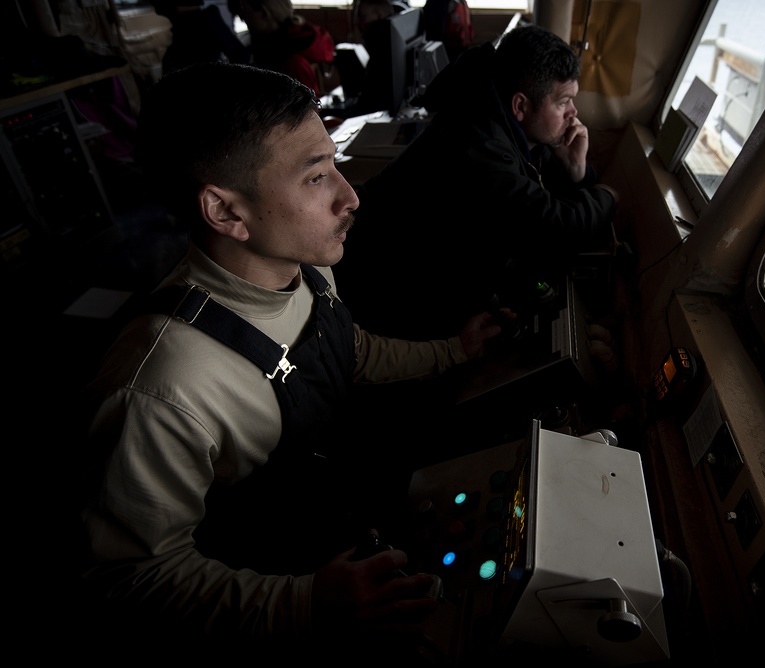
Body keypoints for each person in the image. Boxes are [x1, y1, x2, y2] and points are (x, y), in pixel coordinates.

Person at [74, 62, 502, 658]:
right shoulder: (160, 388)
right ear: (226, 212)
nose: (349, 196)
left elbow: (349, 351)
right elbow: (131, 575)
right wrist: (304, 605)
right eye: (314, 178)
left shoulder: (308, 267)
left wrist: (454, 352)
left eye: (334, 165)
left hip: (326, 513)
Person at [334, 24, 619, 342]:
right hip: (382, 292)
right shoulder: (476, 141)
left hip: (426, 272)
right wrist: (608, 195)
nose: (574, 113)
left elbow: (536, 200)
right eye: (563, 102)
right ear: (521, 106)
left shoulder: (498, 118)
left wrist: (577, 171)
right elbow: (557, 226)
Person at [229, 0, 335, 97]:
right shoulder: (276, 46)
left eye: (245, 10)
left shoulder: (291, 61)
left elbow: (307, 112)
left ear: (264, 13)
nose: (242, 17)